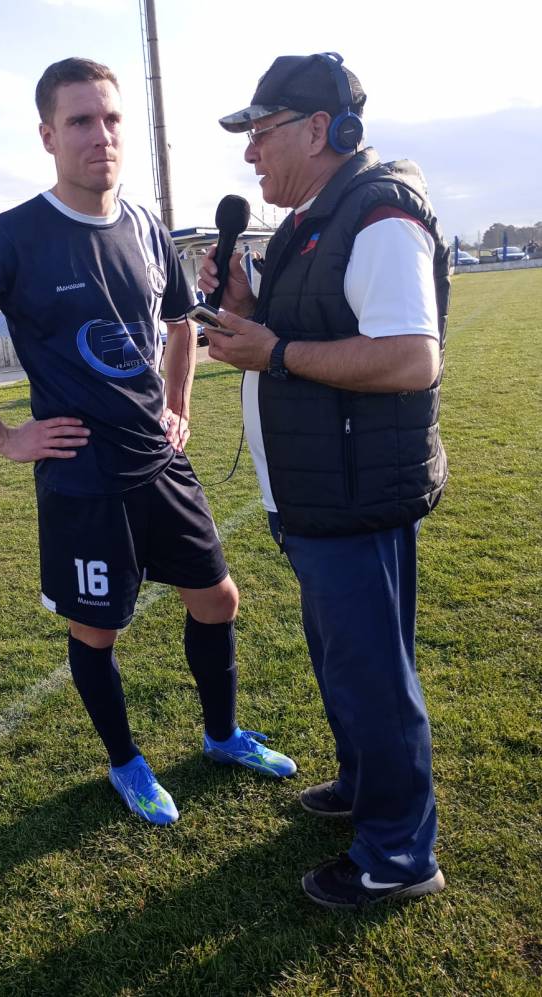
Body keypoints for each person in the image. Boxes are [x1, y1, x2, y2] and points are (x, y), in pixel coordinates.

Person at [0, 57, 295, 828]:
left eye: (111, 119)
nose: (100, 135)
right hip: (83, 476)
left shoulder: (145, 224)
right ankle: (127, 762)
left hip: (161, 461)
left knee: (218, 599)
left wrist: (177, 401)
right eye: (80, 121)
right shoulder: (13, 237)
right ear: (48, 135)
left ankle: (220, 736)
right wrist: (5, 436)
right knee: (98, 627)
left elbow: (182, 322)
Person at [198, 52, 449, 907]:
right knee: (350, 666)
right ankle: (361, 784)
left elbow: (411, 358)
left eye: (260, 134)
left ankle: (398, 853)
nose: (249, 155)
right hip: (322, 492)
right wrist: (249, 304)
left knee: (374, 675)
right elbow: (308, 327)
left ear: (319, 129)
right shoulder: (315, 219)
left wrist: (274, 350)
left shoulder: (376, 215)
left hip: (354, 497)